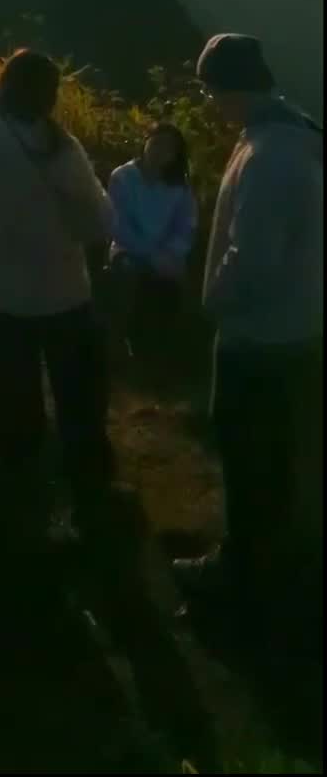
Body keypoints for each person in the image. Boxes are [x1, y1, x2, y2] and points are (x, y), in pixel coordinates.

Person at [175, 34, 323, 632]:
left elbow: (253, 257)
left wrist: (215, 301)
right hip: (302, 326)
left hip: (260, 338)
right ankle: (278, 562)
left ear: (229, 89)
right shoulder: (301, 134)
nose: (212, 105)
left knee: (247, 457)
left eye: (212, 92)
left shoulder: (270, 154)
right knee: (282, 457)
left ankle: (242, 577)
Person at [0, 49, 115, 523]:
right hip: (63, 289)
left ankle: (19, 484)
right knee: (77, 391)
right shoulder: (61, 149)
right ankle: (89, 482)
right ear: (49, 96)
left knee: (13, 387)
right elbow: (101, 220)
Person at [107, 123, 197, 354]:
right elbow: (119, 226)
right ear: (146, 142)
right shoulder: (123, 177)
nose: (160, 151)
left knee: (179, 283)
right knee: (128, 274)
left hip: (167, 253)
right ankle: (119, 342)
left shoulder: (179, 185)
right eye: (157, 143)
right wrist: (151, 255)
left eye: (169, 148)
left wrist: (172, 253)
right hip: (128, 249)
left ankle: (167, 348)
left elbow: (186, 226)